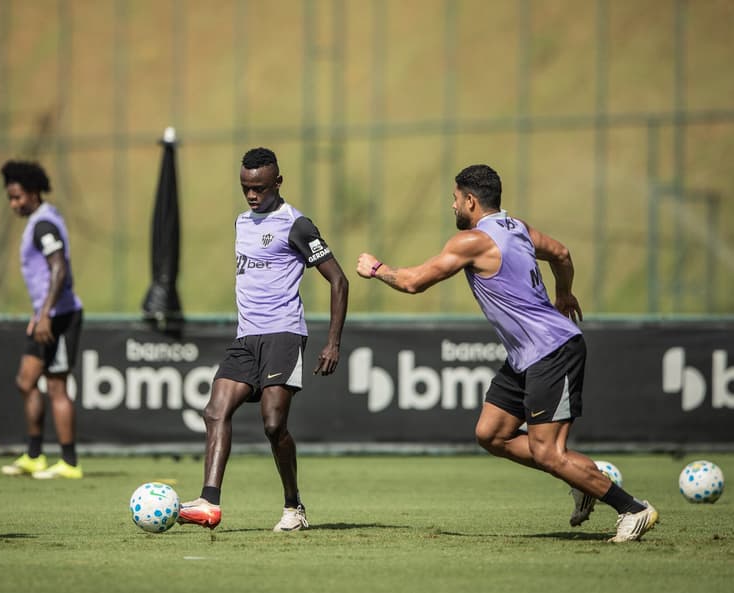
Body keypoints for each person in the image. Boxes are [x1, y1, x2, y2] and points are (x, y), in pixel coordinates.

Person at [356, 164, 658, 543]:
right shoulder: (519, 228)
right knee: (491, 433)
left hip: (552, 350)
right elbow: (562, 254)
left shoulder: (473, 241)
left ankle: (632, 508)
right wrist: (563, 292)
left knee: (547, 453)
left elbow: (414, 282)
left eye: (454, 199)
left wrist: (377, 268)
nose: (451, 207)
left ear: (470, 200)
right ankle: (583, 478)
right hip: (526, 356)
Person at [179, 147, 348, 532]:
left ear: (278, 182)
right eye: (245, 188)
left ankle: (294, 507)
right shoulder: (241, 223)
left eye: (259, 188)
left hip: (284, 334)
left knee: (273, 425)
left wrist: (333, 342)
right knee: (214, 411)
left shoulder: (297, 225)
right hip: (246, 337)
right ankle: (209, 501)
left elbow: (339, 280)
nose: (252, 195)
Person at [0, 160, 83, 480]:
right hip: (46, 315)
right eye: (10, 197)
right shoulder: (40, 219)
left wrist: (45, 313)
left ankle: (69, 463)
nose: (14, 204)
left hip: (61, 316)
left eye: (18, 196)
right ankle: (34, 455)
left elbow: (58, 267)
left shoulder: (44, 224)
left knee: (57, 386)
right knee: (26, 380)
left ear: (34, 193)